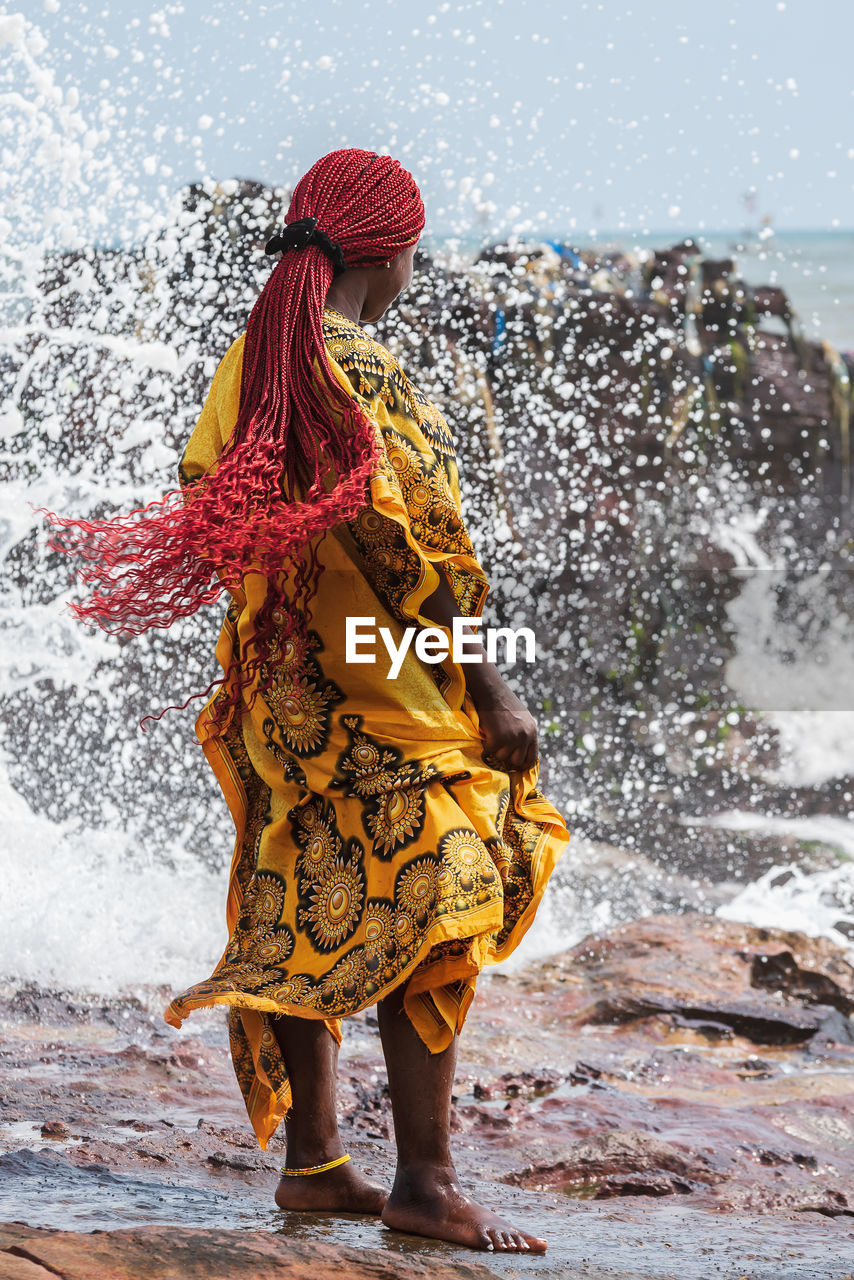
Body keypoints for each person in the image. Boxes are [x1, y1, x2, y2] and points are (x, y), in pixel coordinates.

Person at [49, 148, 569, 1254]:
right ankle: (423, 1179)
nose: (416, 267)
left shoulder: (258, 356)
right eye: (416, 250)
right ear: (386, 251)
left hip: (287, 695)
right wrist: (488, 682)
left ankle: (317, 1168)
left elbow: (214, 499)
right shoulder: (360, 366)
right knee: (438, 907)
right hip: (386, 694)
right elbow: (411, 541)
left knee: (305, 899)